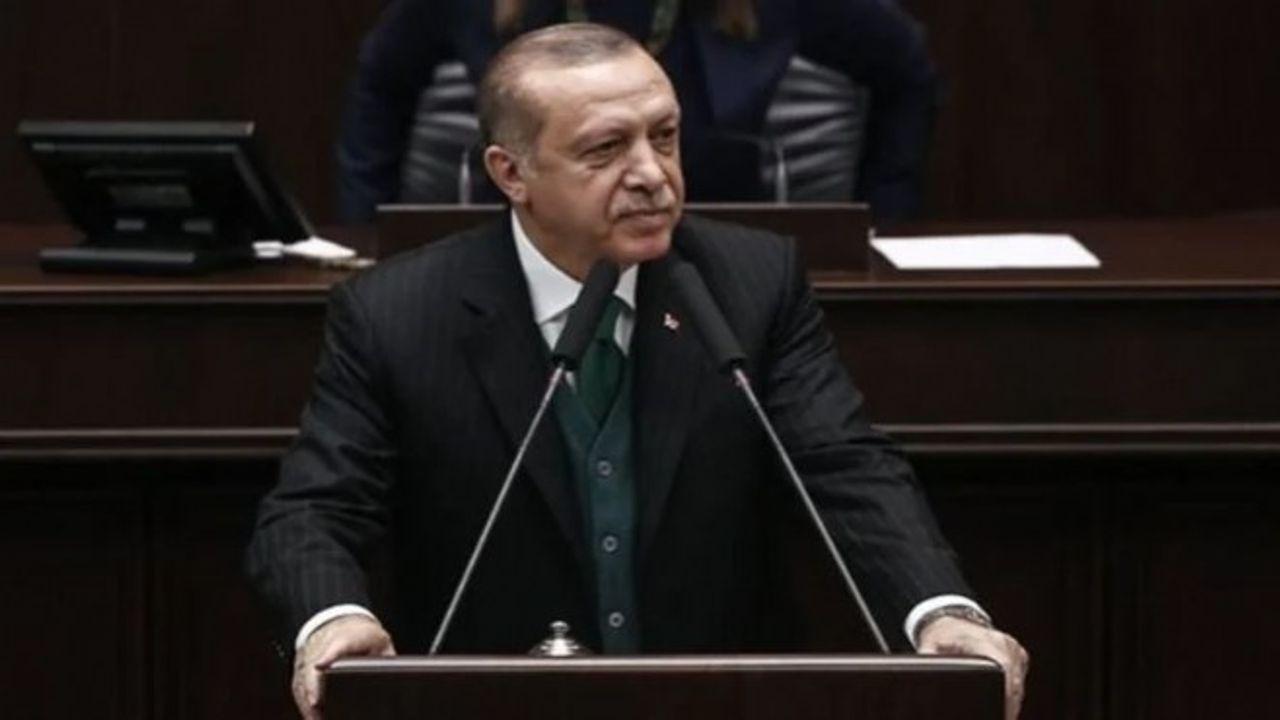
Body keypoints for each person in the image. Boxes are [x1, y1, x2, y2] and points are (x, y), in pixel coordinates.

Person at [249, 23, 1027, 720]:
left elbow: (846, 467)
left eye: (666, 137)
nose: (652, 174)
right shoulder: (396, 312)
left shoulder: (752, 284)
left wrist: (940, 610)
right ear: (511, 173)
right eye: (605, 149)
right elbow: (312, 510)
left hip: (719, 701)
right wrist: (335, 619)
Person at [336, 0, 938, 224]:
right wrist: (367, 232)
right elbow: (381, 83)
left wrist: (881, 221)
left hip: (716, 253)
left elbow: (906, 69)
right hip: (526, 260)